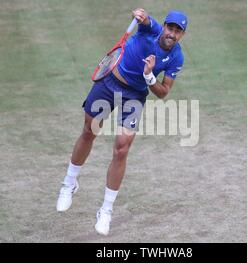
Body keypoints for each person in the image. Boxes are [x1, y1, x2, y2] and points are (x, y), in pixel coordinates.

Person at [56, 8, 188, 236]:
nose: (172, 34)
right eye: (170, 28)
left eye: (178, 31)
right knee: (89, 131)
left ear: (182, 35)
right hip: (109, 83)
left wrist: (149, 77)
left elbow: (163, 92)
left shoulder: (177, 57)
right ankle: (69, 182)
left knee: (121, 150)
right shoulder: (152, 30)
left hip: (135, 95)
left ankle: (106, 209)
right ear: (164, 26)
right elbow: (146, 20)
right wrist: (142, 15)